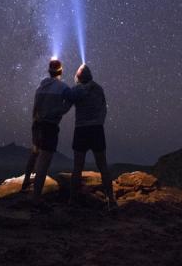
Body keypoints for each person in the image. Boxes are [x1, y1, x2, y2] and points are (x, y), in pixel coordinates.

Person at [66, 64, 117, 210]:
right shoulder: (99, 89)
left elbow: (67, 100)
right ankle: (111, 200)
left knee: (77, 167)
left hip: (81, 130)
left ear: (79, 77)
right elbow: (103, 108)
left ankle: (72, 200)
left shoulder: (76, 90)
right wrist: (99, 122)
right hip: (96, 129)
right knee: (103, 166)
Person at [21, 58, 71, 205]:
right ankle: (36, 200)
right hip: (50, 126)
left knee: (35, 152)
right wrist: (58, 112)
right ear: (61, 71)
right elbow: (70, 101)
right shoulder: (63, 88)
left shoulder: (40, 87)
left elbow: (35, 108)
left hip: (37, 124)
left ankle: (25, 183)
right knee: (44, 162)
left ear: (49, 71)